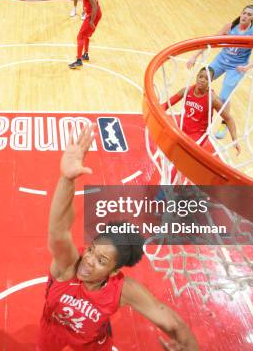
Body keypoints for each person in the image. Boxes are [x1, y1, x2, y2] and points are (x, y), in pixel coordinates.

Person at [38, 124, 199, 350]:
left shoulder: (122, 289)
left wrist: (191, 349)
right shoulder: (68, 268)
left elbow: (174, 324)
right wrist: (66, 179)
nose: (89, 260)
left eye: (102, 261)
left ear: (114, 272)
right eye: (92, 250)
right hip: (52, 335)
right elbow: (58, 232)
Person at [186, 5, 253, 139]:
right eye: (244, 13)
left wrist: (247, 67)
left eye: (249, 14)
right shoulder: (230, 26)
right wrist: (195, 56)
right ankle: (195, 109)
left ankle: (224, 123)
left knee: (224, 97)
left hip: (237, 66)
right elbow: (209, 41)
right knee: (202, 81)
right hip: (221, 61)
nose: (245, 16)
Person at [163, 67, 241, 153]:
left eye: (207, 78)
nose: (202, 80)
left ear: (211, 82)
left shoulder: (212, 99)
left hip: (198, 134)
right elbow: (166, 105)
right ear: (197, 77)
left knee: (184, 154)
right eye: (201, 77)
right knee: (167, 145)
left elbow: (228, 119)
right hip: (183, 126)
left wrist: (235, 139)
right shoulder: (186, 90)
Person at [69, 0, 101, 69]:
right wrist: (85, 10)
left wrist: (91, 20)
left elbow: (94, 6)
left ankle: (79, 60)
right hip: (95, 13)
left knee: (80, 36)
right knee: (86, 35)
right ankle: (85, 54)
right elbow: (92, 4)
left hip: (93, 14)